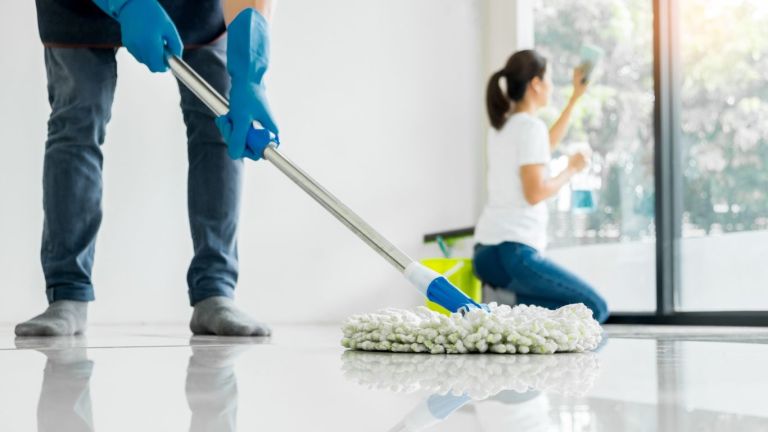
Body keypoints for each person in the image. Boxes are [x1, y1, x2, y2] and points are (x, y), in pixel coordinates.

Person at [15, 0, 279, 337]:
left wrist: (250, 73)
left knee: (219, 121)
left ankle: (216, 291)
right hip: (80, 10)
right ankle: (67, 294)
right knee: (77, 122)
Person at [472, 49, 609, 323]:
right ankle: (505, 307)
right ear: (535, 83)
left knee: (557, 310)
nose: (551, 86)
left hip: (486, 254)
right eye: (549, 79)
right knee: (595, 308)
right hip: (514, 253)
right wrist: (571, 169)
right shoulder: (530, 128)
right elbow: (534, 193)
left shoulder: (501, 128)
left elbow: (545, 147)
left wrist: (574, 98)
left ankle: (503, 306)